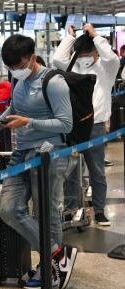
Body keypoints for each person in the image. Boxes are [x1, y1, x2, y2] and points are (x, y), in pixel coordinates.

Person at [0, 34, 78, 289]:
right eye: (11, 67)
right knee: (9, 209)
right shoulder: (18, 83)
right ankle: (57, 254)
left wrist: (30, 122)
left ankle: (50, 269)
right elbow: (11, 111)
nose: (15, 71)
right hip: (22, 155)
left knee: (47, 213)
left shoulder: (54, 83)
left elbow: (66, 124)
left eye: (19, 65)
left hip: (49, 153)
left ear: (31, 58)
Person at [53, 23, 120, 226]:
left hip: (96, 126)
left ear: (96, 52)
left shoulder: (106, 69)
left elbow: (112, 58)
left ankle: (99, 210)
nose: (84, 57)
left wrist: (96, 35)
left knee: (97, 171)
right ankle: (73, 210)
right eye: (81, 53)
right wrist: (70, 37)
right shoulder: (72, 66)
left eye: (88, 52)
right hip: (73, 126)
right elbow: (57, 59)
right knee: (70, 170)